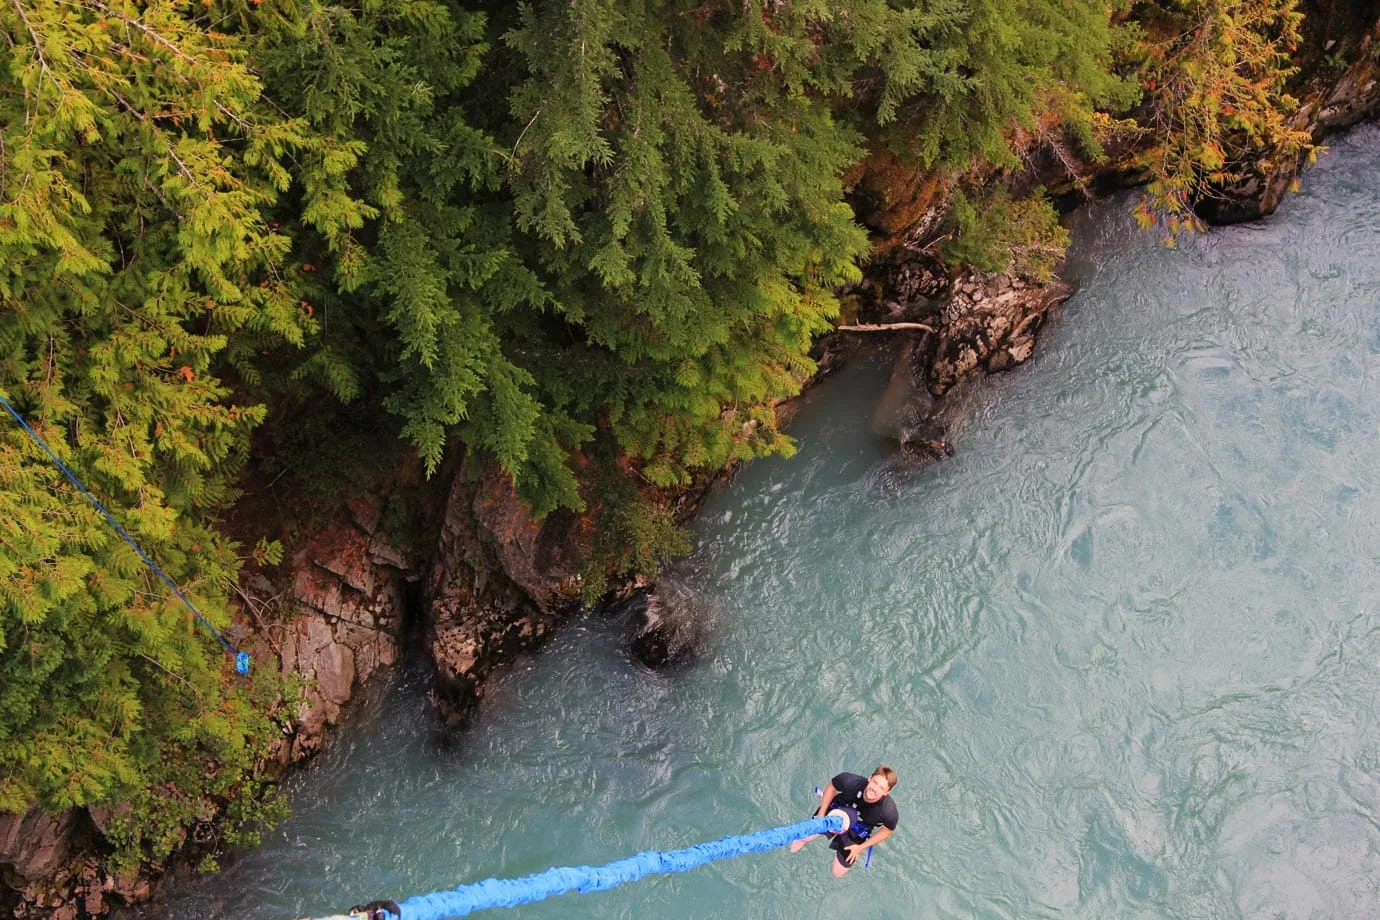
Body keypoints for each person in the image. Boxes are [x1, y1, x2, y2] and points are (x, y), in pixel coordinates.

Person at [789, 766, 898, 877]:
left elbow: (887, 830)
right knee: (805, 836)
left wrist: (860, 848)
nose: (875, 789)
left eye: (881, 788)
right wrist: (821, 814)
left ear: (886, 792)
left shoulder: (888, 811)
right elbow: (832, 786)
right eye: (875, 782)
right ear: (869, 778)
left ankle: (849, 846)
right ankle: (803, 840)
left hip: (858, 829)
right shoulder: (849, 781)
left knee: (837, 873)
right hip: (837, 811)